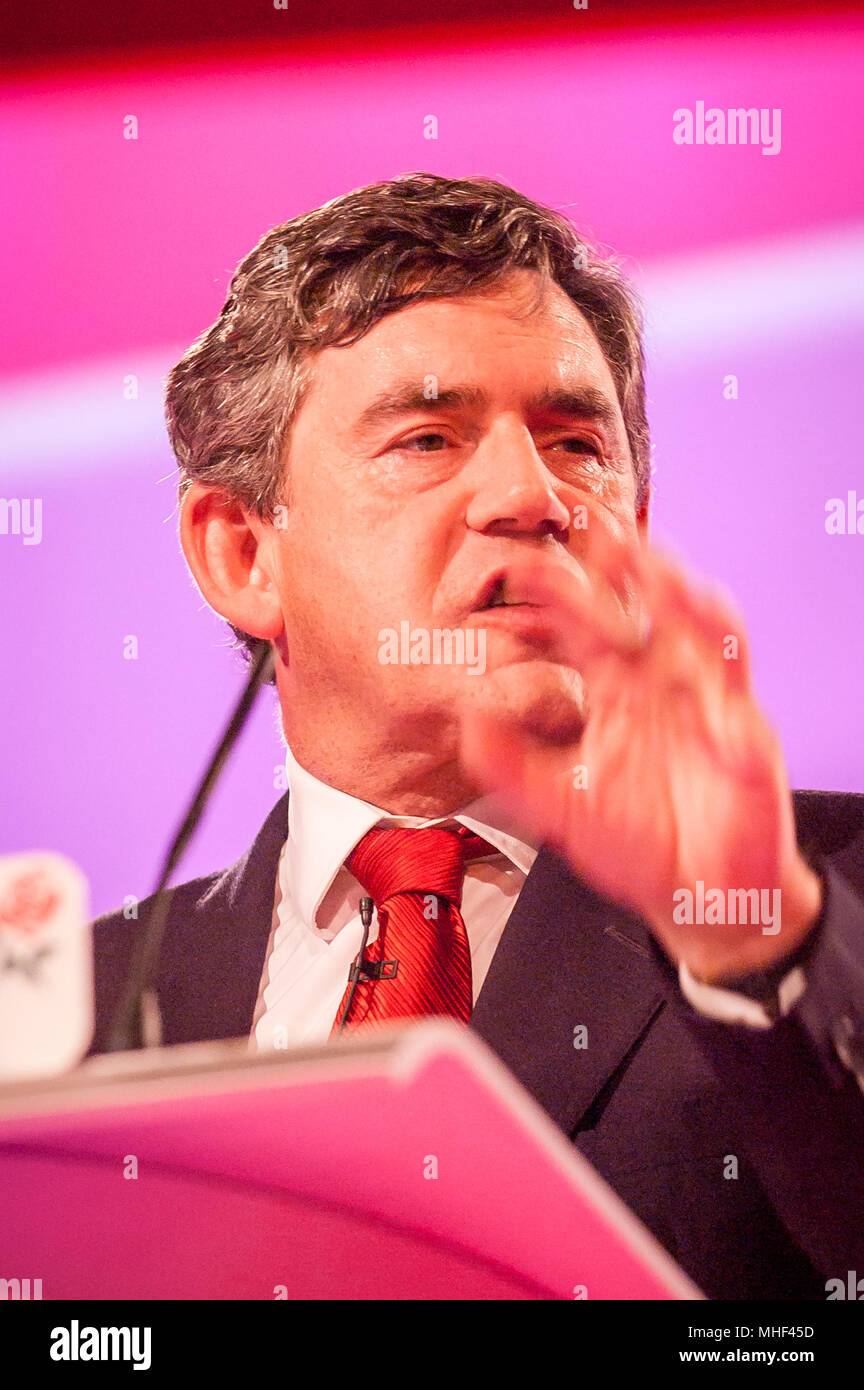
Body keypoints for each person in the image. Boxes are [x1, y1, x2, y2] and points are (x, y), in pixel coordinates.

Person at [90, 173, 864, 1299]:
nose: (531, 494)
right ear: (244, 554)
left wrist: (757, 942)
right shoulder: (79, 1018)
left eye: (577, 444)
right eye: (428, 437)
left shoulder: (822, 905)